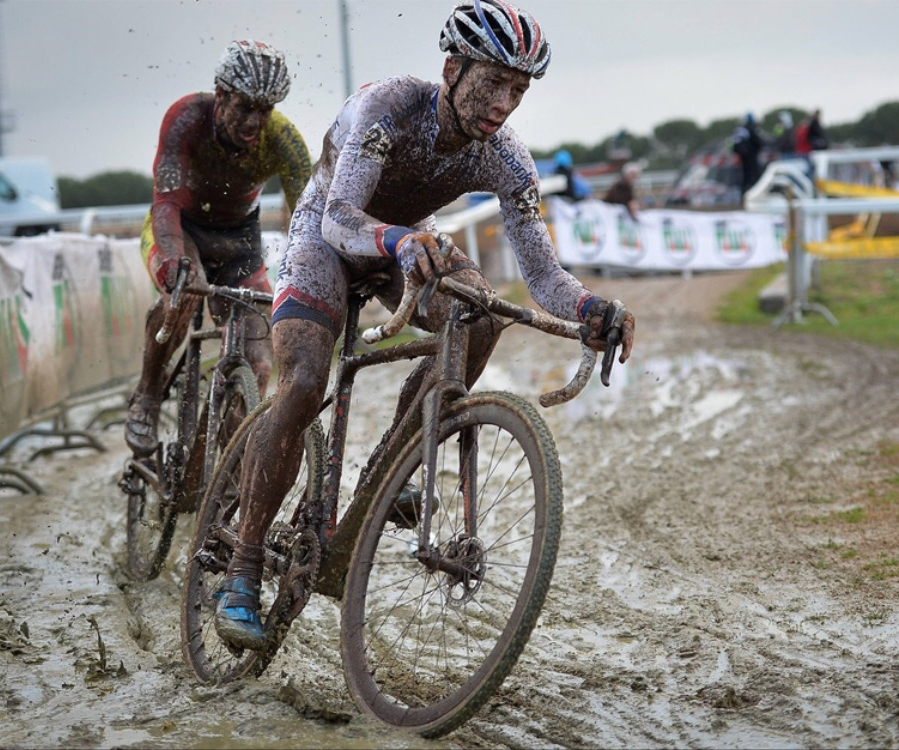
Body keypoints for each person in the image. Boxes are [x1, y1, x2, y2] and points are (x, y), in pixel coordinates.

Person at [212, 0, 636, 650]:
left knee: (481, 310)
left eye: (517, 89)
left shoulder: (509, 160)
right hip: (330, 237)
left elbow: (544, 274)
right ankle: (241, 567)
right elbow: (337, 217)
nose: (503, 102)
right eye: (491, 81)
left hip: (405, 244)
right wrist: (402, 244)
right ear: (451, 67)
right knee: (300, 386)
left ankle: (394, 465)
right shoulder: (390, 106)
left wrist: (587, 309)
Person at [124, 40, 312, 458]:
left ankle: (226, 466)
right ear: (221, 94)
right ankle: (149, 395)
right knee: (185, 294)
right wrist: (174, 262)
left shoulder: (285, 141)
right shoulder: (186, 117)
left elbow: (306, 221)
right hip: (179, 227)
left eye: (265, 109)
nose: (254, 121)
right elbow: (166, 202)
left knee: (261, 360)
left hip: (238, 240)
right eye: (244, 106)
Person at [731, 112, 763, 197]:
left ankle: (743, 195)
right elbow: (758, 143)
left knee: (744, 178)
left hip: (743, 158)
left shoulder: (739, 129)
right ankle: (750, 195)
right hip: (750, 157)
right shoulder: (750, 129)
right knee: (752, 177)